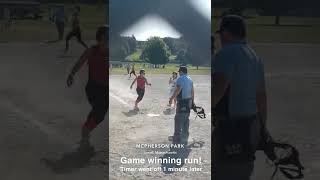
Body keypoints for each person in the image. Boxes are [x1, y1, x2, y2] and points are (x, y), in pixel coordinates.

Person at [212, 15, 267, 180]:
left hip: (231, 128)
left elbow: (219, 90)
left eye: (221, 33)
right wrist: (263, 128)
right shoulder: (254, 56)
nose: (220, 38)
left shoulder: (226, 53)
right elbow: (262, 97)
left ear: (227, 33)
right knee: (243, 172)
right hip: (251, 125)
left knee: (222, 172)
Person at [66, 25, 108, 150]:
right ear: (99, 38)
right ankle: (85, 132)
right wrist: (71, 74)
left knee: (99, 113)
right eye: (106, 37)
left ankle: (86, 132)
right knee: (99, 112)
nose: (109, 40)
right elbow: (80, 61)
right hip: (93, 88)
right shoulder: (92, 51)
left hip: (106, 90)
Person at [169, 66, 194, 145]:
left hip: (182, 102)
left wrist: (171, 98)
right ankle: (185, 136)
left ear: (182, 71)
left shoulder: (181, 78)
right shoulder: (190, 79)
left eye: (179, 72)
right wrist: (192, 102)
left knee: (178, 118)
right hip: (189, 101)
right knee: (186, 118)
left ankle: (177, 137)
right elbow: (192, 91)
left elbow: (178, 89)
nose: (179, 73)